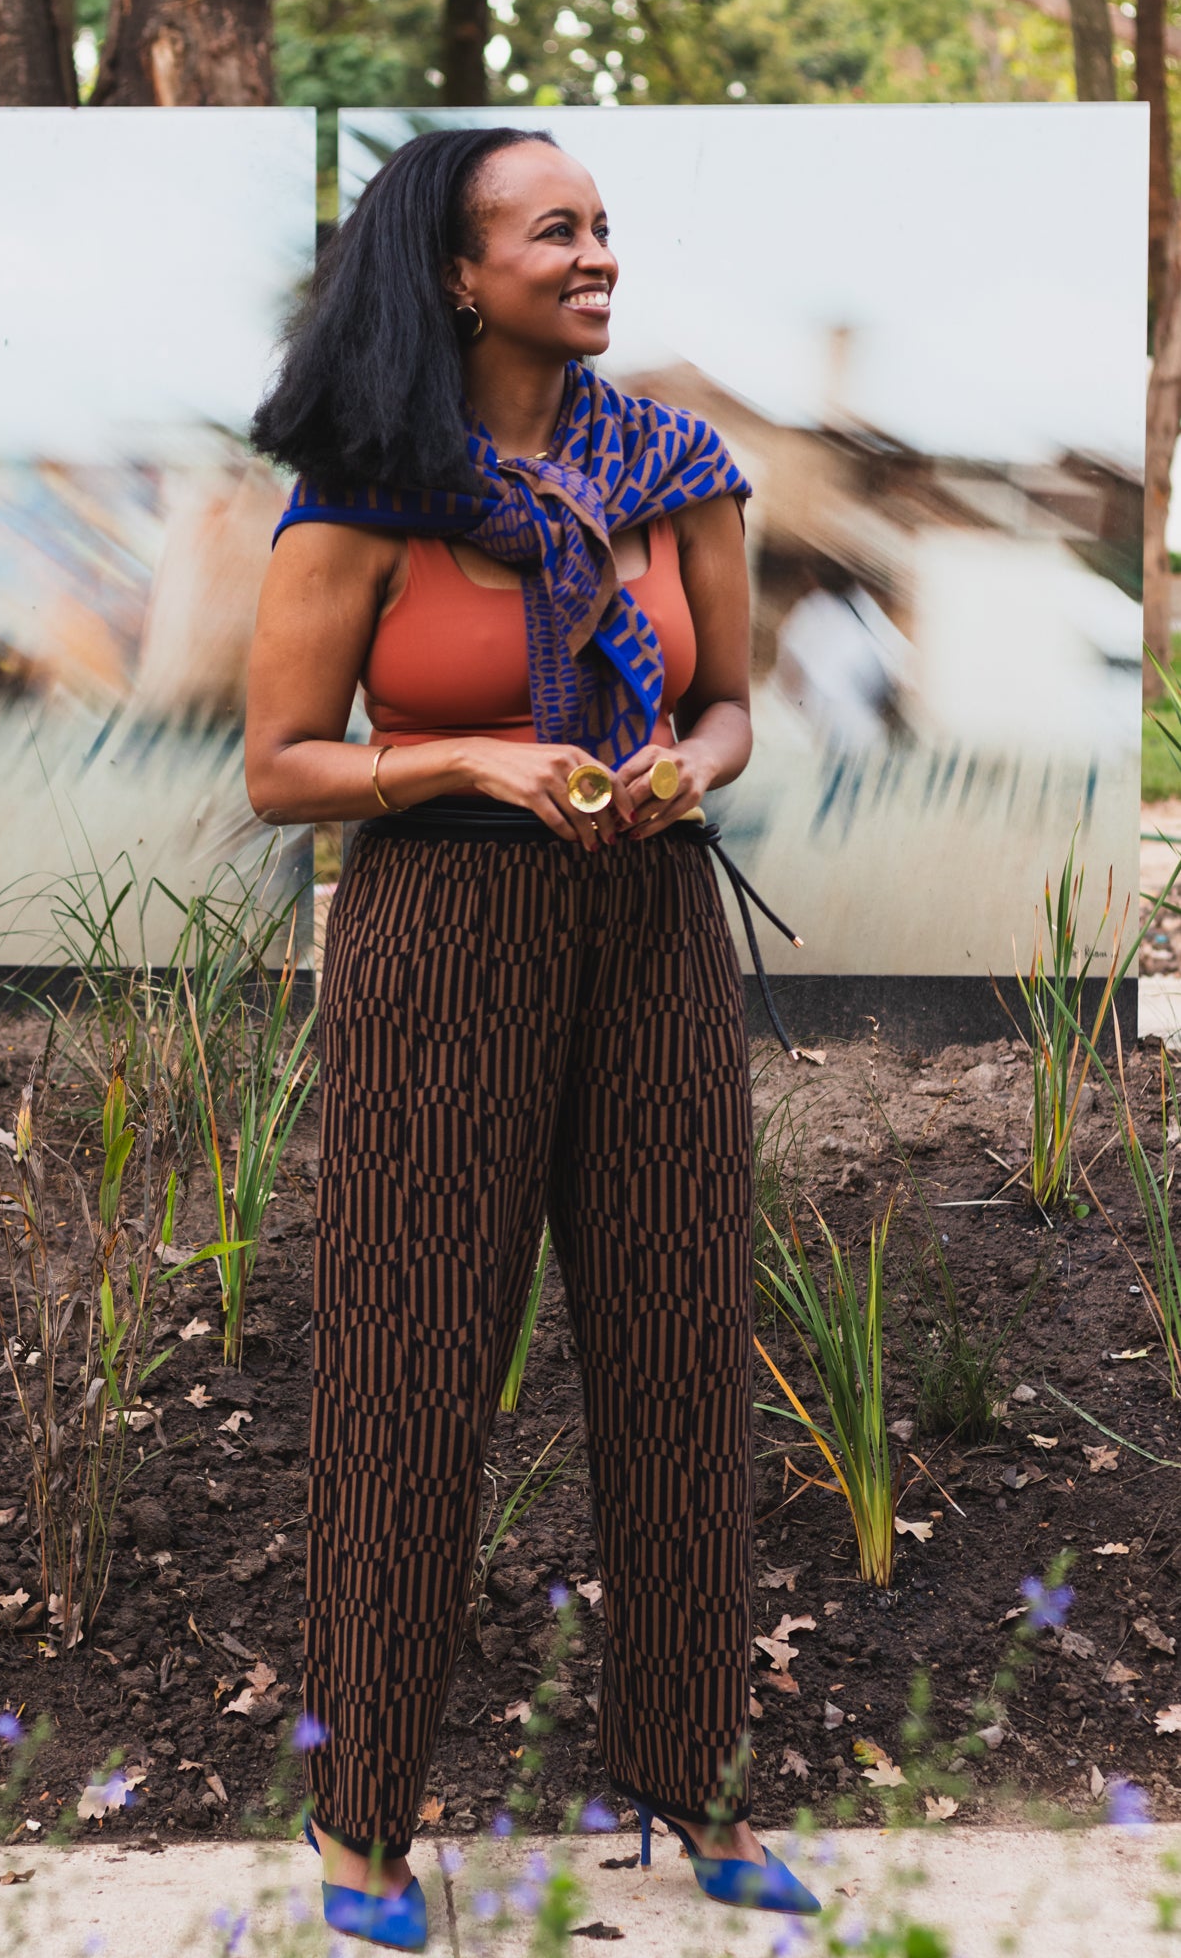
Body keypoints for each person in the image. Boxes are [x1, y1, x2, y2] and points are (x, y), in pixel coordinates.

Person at [244, 124, 819, 1952]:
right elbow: (281, 768)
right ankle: (361, 1831)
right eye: (551, 231)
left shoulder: (672, 470)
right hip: (438, 938)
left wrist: (680, 767)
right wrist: (473, 754)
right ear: (453, 271)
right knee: (409, 1362)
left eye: (600, 229)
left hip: (647, 928)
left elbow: (729, 708)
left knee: (673, 1341)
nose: (594, 258)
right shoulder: (364, 492)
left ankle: (694, 1781)